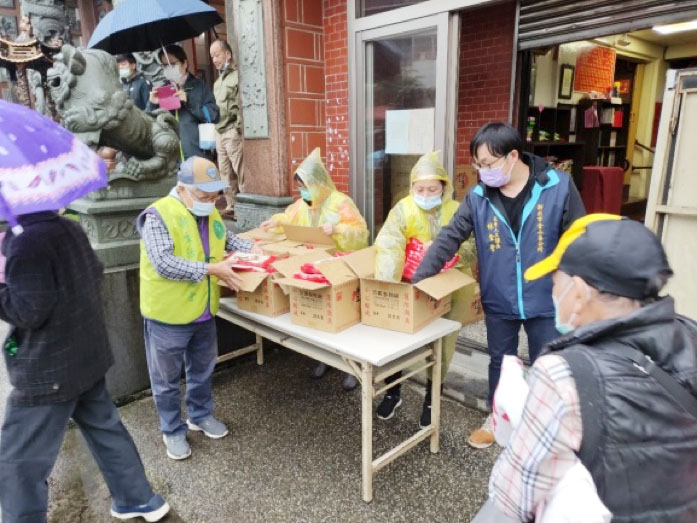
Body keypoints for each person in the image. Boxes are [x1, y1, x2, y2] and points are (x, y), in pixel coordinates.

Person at [488, 214, 697, 522]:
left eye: (555, 282)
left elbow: (513, 497)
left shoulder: (563, 373)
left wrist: (525, 422)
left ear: (580, 292)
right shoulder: (690, 334)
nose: (553, 293)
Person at [412, 122, 585, 449]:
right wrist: (420, 277)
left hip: (547, 298)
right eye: (478, 165)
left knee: (548, 366)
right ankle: (497, 418)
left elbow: (578, 240)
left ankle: (542, 426)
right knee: (500, 362)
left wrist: (575, 290)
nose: (482, 172)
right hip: (499, 296)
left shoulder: (557, 186)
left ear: (513, 156)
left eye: (488, 164)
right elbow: (451, 236)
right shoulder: (478, 197)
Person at [0, 211, 169, 522]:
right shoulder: (69, 227)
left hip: (47, 370)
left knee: (18, 461)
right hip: (86, 356)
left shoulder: (25, 242)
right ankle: (138, 498)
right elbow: (94, 271)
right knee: (105, 430)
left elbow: (28, 312)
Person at [137, 156, 262, 460]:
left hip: (204, 310)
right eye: (204, 196)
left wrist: (255, 249)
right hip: (167, 316)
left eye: (214, 196)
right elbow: (164, 263)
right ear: (182, 189)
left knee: (203, 370)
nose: (211, 202)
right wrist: (212, 270)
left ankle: (200, 415)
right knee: (166, 382)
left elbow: (227, 239)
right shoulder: (158, 215)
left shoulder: (208, 213)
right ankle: (172, 430)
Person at [372, 151, 476, 428]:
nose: (426, 193)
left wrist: (453, 255)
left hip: (449, 287)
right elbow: (389, 245)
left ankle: (432, 397)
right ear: (412, 188)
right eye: (420, 189)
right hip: (410, 285)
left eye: (433, 188)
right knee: (400, 342)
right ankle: (393, 390)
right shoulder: (403, 209)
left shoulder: (457, 210)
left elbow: (472, 245)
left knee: (441, 344)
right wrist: (388, 283)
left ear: (444, 186)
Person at [261, 147, 369, 390]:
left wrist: (339, 230)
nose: (303, 191)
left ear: (319, 183)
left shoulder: (341, 202)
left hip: (341, 268)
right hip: (313, 269)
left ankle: (352, 366)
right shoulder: (302, 204)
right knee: (320, 316)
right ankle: (324, 358)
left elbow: (361, 233)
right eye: (300, 186)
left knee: (346, 320)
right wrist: (274, 222)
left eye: (306, 185)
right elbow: (288, 219)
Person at [148, 44, 220, 160]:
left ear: (185, 63)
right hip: (171, 160)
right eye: (165, 65)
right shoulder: (161, 91)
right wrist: (152, 104)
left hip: (197, 156)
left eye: (173, 64)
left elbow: (214, 115)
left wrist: (189, 101)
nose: (169, 68)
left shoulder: (199, 87)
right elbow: (149, 124)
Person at [210, 39, 243, 218]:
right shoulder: (217, 82)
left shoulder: (237, 76)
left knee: (239, 169)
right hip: (219, 131)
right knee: (224, 171)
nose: (214, 59)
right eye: (212, 56)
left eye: (217, 55)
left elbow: (240, 103)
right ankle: (232, 204)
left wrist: (238, 128)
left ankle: (246, 205)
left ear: (227, 54)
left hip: (231, 129)